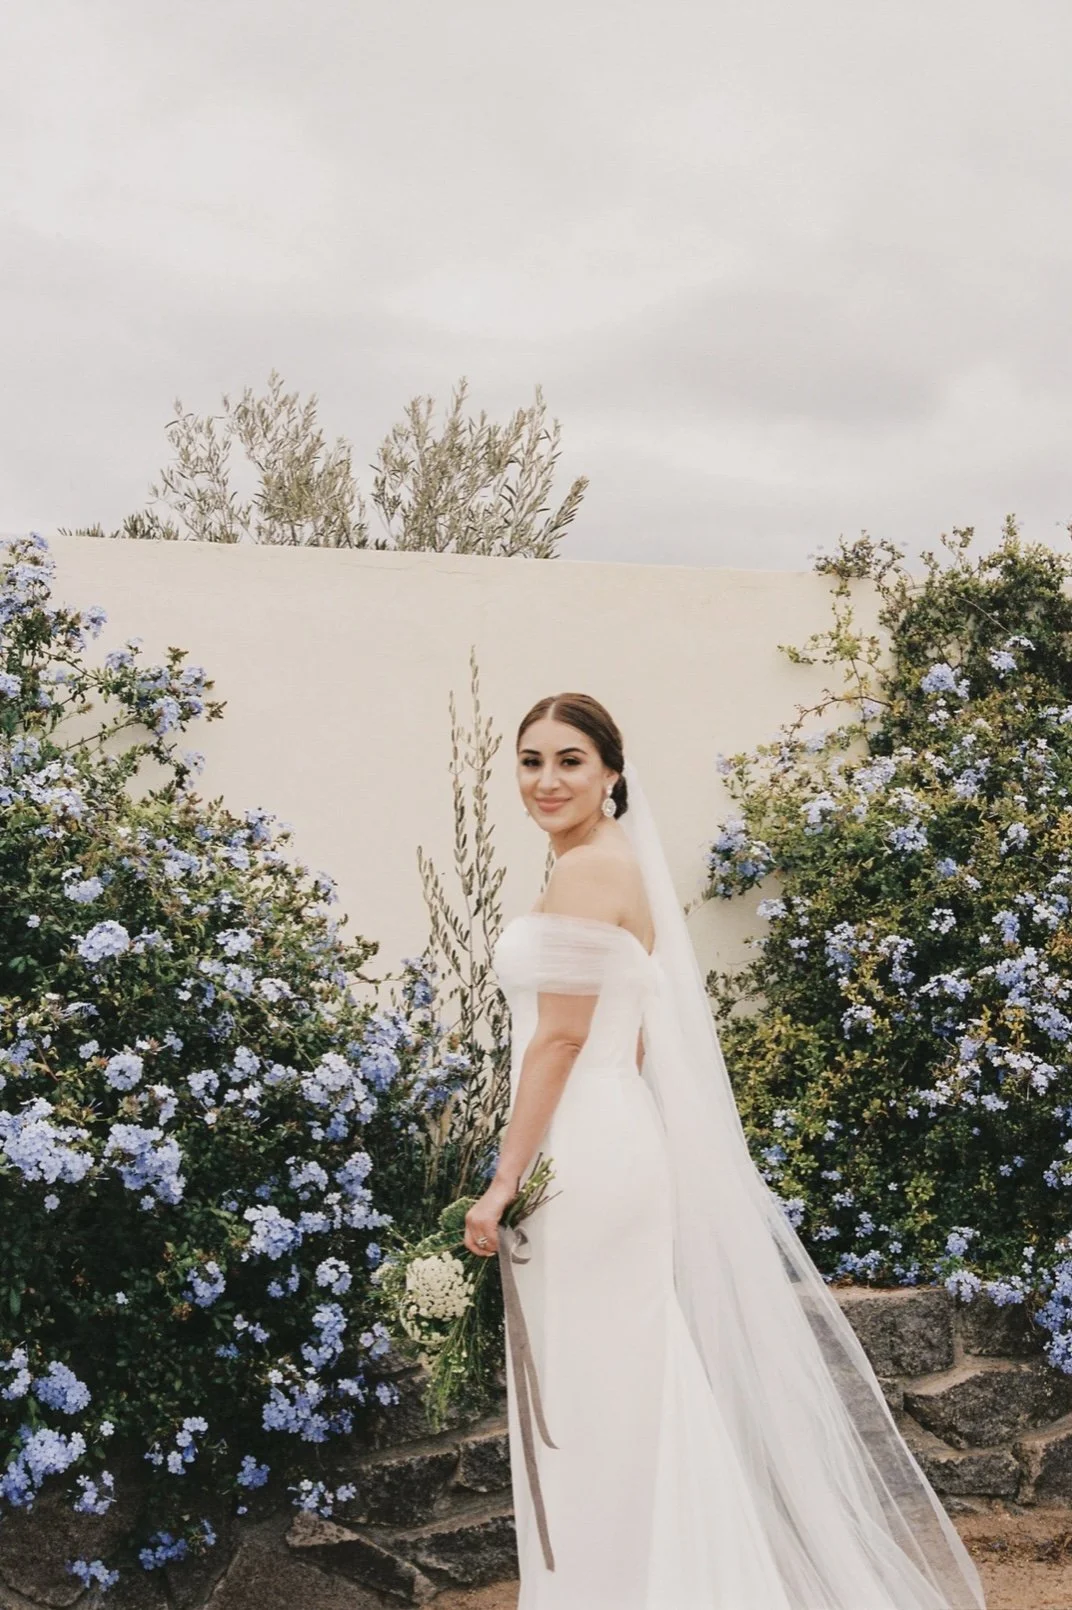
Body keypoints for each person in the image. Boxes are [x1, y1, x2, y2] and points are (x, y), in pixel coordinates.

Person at [462, 691, 987, 1610]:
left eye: (570, 761)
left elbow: (558, 1041)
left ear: (612, 775)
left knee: (595, 1399)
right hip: (607, 1137)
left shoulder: (589, 872)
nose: (546, 780)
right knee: (621, 1387)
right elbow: (627, 1035)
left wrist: (503, 1181)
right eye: (531, 759)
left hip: (579, 1156)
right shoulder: (600, 863)